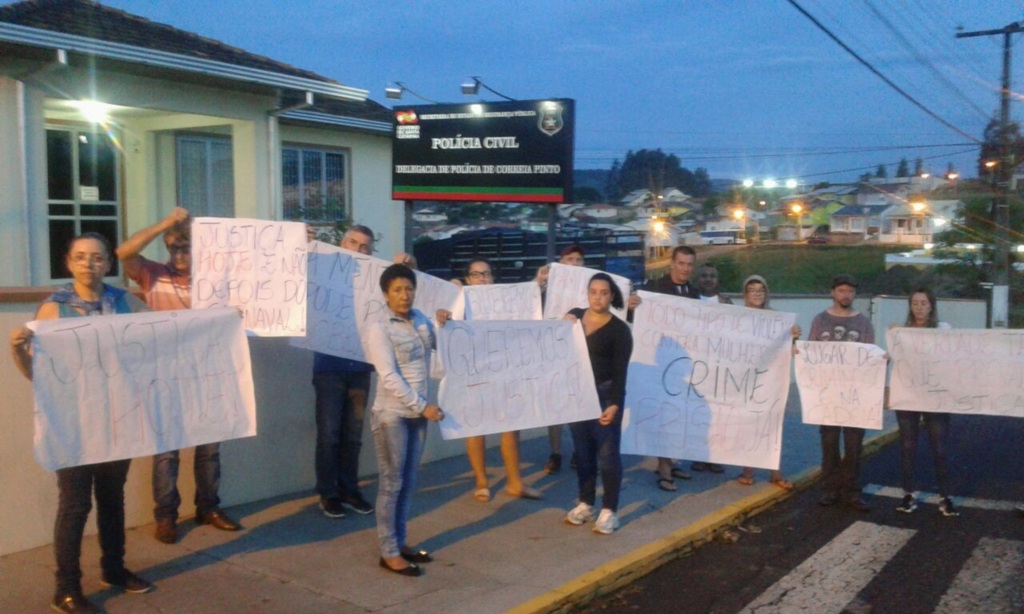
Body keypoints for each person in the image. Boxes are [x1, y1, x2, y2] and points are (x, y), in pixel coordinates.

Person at [10, 232, 153, 614]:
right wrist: (16, 350)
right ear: (68, 262)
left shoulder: (125, 302)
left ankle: (114, 569)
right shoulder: (53, 309)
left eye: (98, 257)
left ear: (108, 263)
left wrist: (222, 320)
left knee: (112, 499)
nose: (89, 264)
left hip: (117, 418)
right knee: (74, 505)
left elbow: (165, 337)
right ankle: (66, 589)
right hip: (73, 424)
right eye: (81, 257)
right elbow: (37, 375)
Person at [117, 207, 240, 544]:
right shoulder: (153, 275)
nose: (181, 253)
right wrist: (165, 223)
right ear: (167, 248)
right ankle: (166, 516)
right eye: (174, 247)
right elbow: (123, 252)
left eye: (187, 246)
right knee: (167, 451)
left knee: (209, 451)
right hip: (166, 376)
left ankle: (208, 507)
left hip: (209, 373)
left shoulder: (215, 281)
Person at [437, 258, 542, 502]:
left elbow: (527, 309)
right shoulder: (459, 302)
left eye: (486, 274)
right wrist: (444, 313)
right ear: (467, 279)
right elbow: (444, 325)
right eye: (476, 275)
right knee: (475, 425)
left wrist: (537, 283)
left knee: (511, 425)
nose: (482, 279)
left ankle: (515, 482)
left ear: (493, 278)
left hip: (505, 370)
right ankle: (481, 481)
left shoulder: (505, 302)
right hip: (473, 371)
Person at [366, 264, 445, 577]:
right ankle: (388, 552)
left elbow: (441, 345)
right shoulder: (378, 327)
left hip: (417, 416)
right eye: (397, 290)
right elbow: (388, 376)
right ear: (386, 294)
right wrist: (423, 405)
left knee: (408, 482)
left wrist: (445, 324)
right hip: (391, 415)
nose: (405, 295)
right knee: (391, 484)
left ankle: (399, 542)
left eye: (409, 288)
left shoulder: (421, 320)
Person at [309, 225, 380, 519]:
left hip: (361, 367)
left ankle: (349, 489)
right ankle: (328, 493)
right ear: (342, 243)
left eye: (365, 246)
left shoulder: (375, 279)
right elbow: (289, 274)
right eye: (354, 242)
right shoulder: (323, 268)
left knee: (353, 435)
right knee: (329, 435)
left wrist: (407, 268)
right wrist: (305, 246)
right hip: (329, 367)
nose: (359, 249)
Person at [563, 273, 633, 534]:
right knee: (582, 453)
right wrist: (567, 319)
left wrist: (614, 404)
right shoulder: (576, 317)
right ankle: (585, 502)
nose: (598, 297)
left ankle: (609, 510)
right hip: (577, 395)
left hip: (604, 395)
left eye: (604, 292)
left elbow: (620, 373)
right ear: (588, 293)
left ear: (612, 295)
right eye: (593, 291)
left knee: (607, 454)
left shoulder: (619, 331)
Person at [809, 274, 874, 512]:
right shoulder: (820, 320)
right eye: (841, 290)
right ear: (832, 292)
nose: (845, 295)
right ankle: (830, 489)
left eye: (850, 291)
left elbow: (869, 356)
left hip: (855, 395)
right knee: (829, 442)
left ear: (854, 294)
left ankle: (851, 490)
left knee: (854, 444)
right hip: (828, 394)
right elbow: (812, 353)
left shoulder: (864, 323)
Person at [890, 288, 958, 517]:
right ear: (910, 306)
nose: (919, 307)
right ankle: (908, 494)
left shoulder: (943, 329)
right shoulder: (901, 332)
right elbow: (893, 359)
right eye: (915, 303)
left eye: (923, 303)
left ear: (931, 306)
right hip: (908, 396)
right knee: (908, 447)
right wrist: (892, 338)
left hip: (935, 396)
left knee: (940, 448)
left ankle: (945, 496)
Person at [736, 275, 799, 489]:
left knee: (773, 424)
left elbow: (788, 346)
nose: (757, 294)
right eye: (752, 290)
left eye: (761, 290)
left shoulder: (776, 319)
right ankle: (748, 470)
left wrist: (793, 335)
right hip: (746, 380)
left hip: (771, 379)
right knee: (748, 424)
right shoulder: (738, 318)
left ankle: (775, 472)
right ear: (745, 294)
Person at [645, 245, 700, 489]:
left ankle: (672, 461)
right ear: (672, 264)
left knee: (678, 416)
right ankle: (664, 468)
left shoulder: (694, 293)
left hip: (683, 365)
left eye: (689, 264)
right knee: (663, 415)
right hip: (660, 361)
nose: (685, 268)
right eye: (681, 263)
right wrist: (633, 304)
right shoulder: (654, 288)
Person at [536, 244, 586, 474]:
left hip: (581, 351)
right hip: (553, 351)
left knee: (579, 404)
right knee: (554, 406)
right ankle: (555, 452)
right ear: (561, 262)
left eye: (579, 259)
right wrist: (539, 283)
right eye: (570, 259)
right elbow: (529, 305)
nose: (575, 263)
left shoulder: (590, 285)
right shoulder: (548, 285)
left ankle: (580, 450)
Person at [690, 262, 732, 473]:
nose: (708, 279)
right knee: (698, 414)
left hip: (719, 367)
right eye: (704, 275)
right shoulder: (688, 301)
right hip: (696, 366)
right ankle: (698, 455)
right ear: (699, 279)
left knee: (718, 413)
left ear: (718, 280)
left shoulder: (727, 303)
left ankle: (716, 456)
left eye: (712, 275)